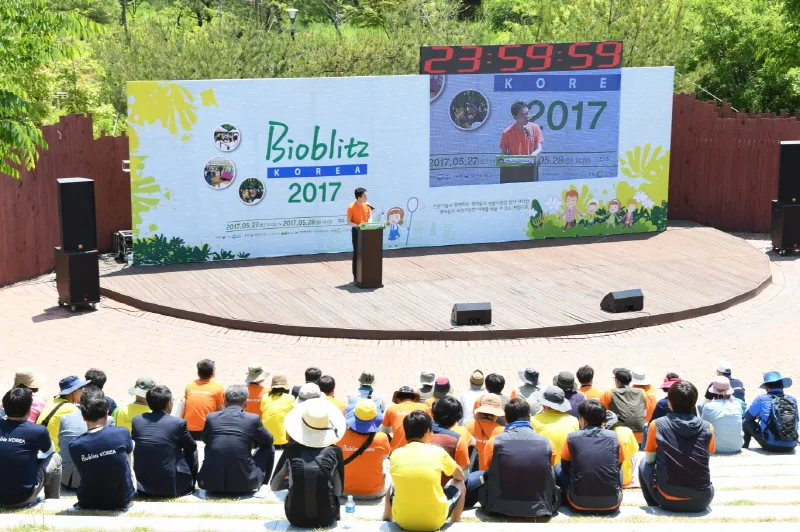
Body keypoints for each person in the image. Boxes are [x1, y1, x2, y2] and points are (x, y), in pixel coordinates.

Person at [472, 398, 560, 517]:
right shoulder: (547, 443)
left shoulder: (494, 442)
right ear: (529, 417)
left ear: (505, 419)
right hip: (540, 506)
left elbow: (488, 468)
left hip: (498, 507)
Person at [384, 410, 467, 530]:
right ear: (427, 432)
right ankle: (456, 521)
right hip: (434, 522)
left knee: (393, 484)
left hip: (403, 521)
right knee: (459, 482)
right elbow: (460, 476)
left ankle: (387, 517)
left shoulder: (396, 454)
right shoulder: (438, 452)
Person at [640, 380, 715, 512]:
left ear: (670, 402)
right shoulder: (708, 427)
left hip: (668, 500)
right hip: (702, 500)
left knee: (643, 463)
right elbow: (706, 456)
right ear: (694, 402)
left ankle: (653, 503)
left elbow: (650, 460)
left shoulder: (657, 425)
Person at [271, 398, 345, 528]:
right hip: (326, 517)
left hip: (295, 517)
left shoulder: (290, 450)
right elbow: (338, 491)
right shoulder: (335, 452)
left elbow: (274, 485)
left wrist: (294, 482)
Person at [198, 385, 274, 494]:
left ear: (225, 402)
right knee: (269, 447)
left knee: (211, 444)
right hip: (245, 483)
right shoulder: (253, 419)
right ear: (246, 403)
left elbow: (205, 439)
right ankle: (264, 483)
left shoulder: (211, 417)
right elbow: (269, 440)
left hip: (210, 483)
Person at [69, 388, 135, 510]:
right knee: (128, 448)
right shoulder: (121, 432)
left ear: (83, 417)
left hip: (87, 500)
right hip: (122, 499)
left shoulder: (74, 445)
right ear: (106, 415)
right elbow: (129, 450)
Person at [556, 400, 624, 513]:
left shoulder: (572, 437)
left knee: (557, 468)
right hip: (612, 503)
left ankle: (564, 499)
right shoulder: (615, 437)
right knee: (619, 472)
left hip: (577, 502)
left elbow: (565, 467)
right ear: (603, 420)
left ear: (582, 419)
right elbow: (618, 465)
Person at [132, 386, 198, 497]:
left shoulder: (137, 420)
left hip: (142, 486)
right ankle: (189, 484)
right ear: (168, 404)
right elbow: (191, 446)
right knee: (194, 452)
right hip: (170, 487)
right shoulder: (177, 423)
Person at [0, 388, 62, 508]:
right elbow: (49, 452)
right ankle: (53, 500)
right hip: (21, 499)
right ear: (29, 410)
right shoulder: (37, 431)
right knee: (56, 458)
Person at [58, 387, 115, 490]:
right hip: (95, 480)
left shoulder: (65, 418)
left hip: (68, 479)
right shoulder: (109, 420)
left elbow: (60, 444)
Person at [337, 399, 391, 499]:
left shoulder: (341, 437)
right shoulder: (382, 438)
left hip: (344, 490)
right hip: (375, 492)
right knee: (387, 463)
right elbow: (385, 457)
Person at [743, 371, 798, 453]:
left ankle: (744, 448)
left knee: (746, 422)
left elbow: (748, 417)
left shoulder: (761, 399)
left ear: (766, 387)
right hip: (792, 445)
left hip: (772, 445)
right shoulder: (792, 400)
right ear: (782, 386)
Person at [38, 375, 91, 452]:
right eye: (80, 388)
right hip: (53, 451)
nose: (83, 390)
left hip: (41, 447)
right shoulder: (70, 408)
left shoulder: (54, 401)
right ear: (70, 393)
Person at [531, 387, 579, 465]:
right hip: (565, 469)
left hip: (544, 468)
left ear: (545, 404)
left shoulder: (533, 420)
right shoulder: (574, 421)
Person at [499, 101, 544, 183]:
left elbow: (539, 148)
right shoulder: (506, 133)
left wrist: (530, 158)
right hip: (513, 170)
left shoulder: (535, 128)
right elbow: (503, 154)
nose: (526, 116)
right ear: (514, 117)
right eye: (522, 114)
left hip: (530, 167)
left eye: (527, 113)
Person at [601, 368, 647, 444]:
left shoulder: (608, 393)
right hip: (640, 436)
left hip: (619, 438)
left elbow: (603, 415)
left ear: (617, 381)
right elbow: (645, 410)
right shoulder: (642, 392)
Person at [701, 377, 744, 454]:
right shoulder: (737, 405)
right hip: (737, 446)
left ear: (713, 392)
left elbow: (703, 426)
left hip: (716, 447)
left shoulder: (709, 406)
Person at [184, 359, 225, 440]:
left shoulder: (189, 386)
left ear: (198, 373)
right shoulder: (219, 388)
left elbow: (185, 406)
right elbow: (219, 410)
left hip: (188, 428)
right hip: (207, 429)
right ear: (213, 374)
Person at [383, 386, 431, 451]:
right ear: (414, 399)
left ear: (398, 400)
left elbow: (384, 431)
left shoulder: (392, 409)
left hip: (398, 450)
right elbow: (430, 426)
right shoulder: (424, 407)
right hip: (422, 449)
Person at [431, 396, 472, 471]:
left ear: (433, 413)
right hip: (445, 481)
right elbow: (464, 466)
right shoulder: (458, 438)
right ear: (457, 419)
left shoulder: (419, 429)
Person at [466, 394, 505, 471]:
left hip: (470, 471)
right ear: (496, 414)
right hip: (489, 472)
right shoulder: (502, 431)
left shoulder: (469, 425)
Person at [606, 411, 639, 487]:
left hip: (604, 480)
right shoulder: (626, 430)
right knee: (633, 457)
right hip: (625, 479)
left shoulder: (595, 435)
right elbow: (633, 453)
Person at [261, 374, 295, 448]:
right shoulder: (290, 398)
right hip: (283, 440)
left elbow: (263, 410)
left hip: (265, 438)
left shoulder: (264, 397)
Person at [347, 187, 373, 281]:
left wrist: (369, 224)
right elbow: (348, 221)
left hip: (367, 231)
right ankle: (356, 276)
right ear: (359, 197)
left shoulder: (367, 205)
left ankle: (367, 274)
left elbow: (370, 216)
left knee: (368, 253)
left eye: (366, 195)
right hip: (357, 231)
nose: (366, 197)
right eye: (364, 196)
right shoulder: (351, 207)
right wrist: (357, 225)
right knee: (357, 253)